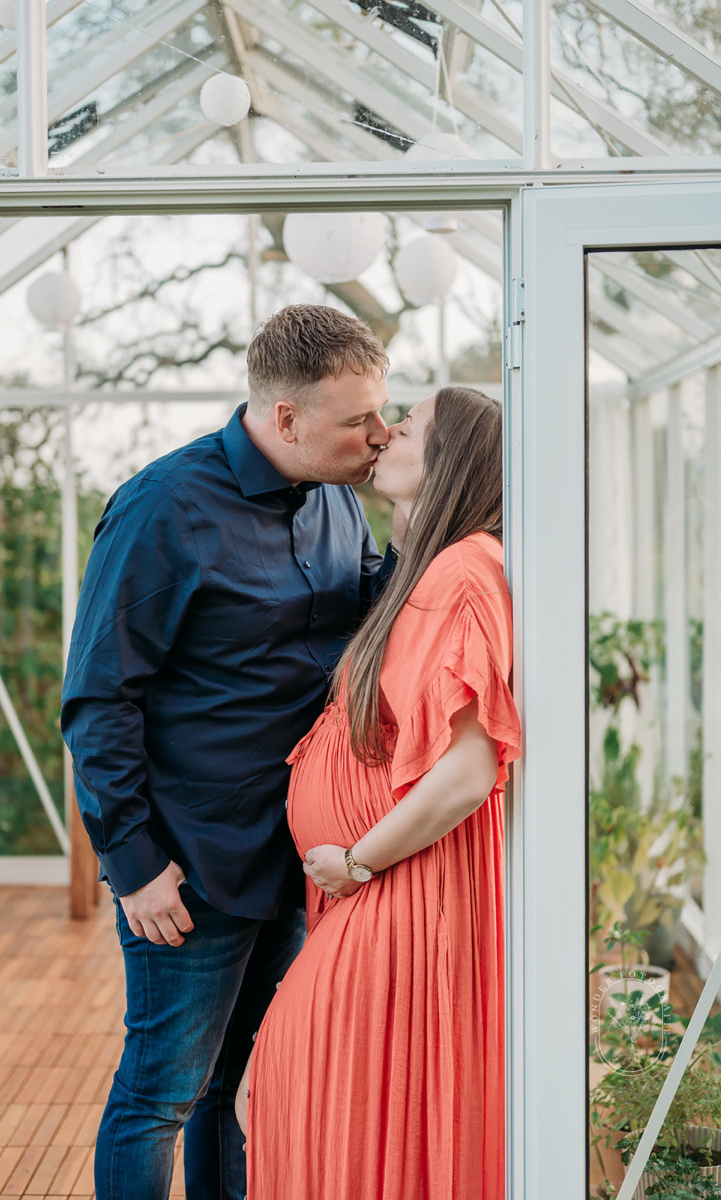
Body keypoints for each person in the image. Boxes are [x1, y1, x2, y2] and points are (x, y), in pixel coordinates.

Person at [60, 304, 398, 1200]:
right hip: (192, 866)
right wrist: (134, 865)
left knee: (237, 1086)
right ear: (287, 419)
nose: (381, 433)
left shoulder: (336, 499)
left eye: (385, 412)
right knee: (160, 1096)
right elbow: (98, 699)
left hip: (293, 855)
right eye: (359, 418)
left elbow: (364, 613)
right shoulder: (162, 507)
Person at [240, 385, 522, 1200]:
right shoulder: (435, 567)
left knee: (315, 1103)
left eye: (413, 425)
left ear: (456, 461)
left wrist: (357, 861)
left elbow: (471, 769)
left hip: (395, 893)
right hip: (384, 891)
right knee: (315, 1106)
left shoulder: (463, 570)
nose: (389, 431)